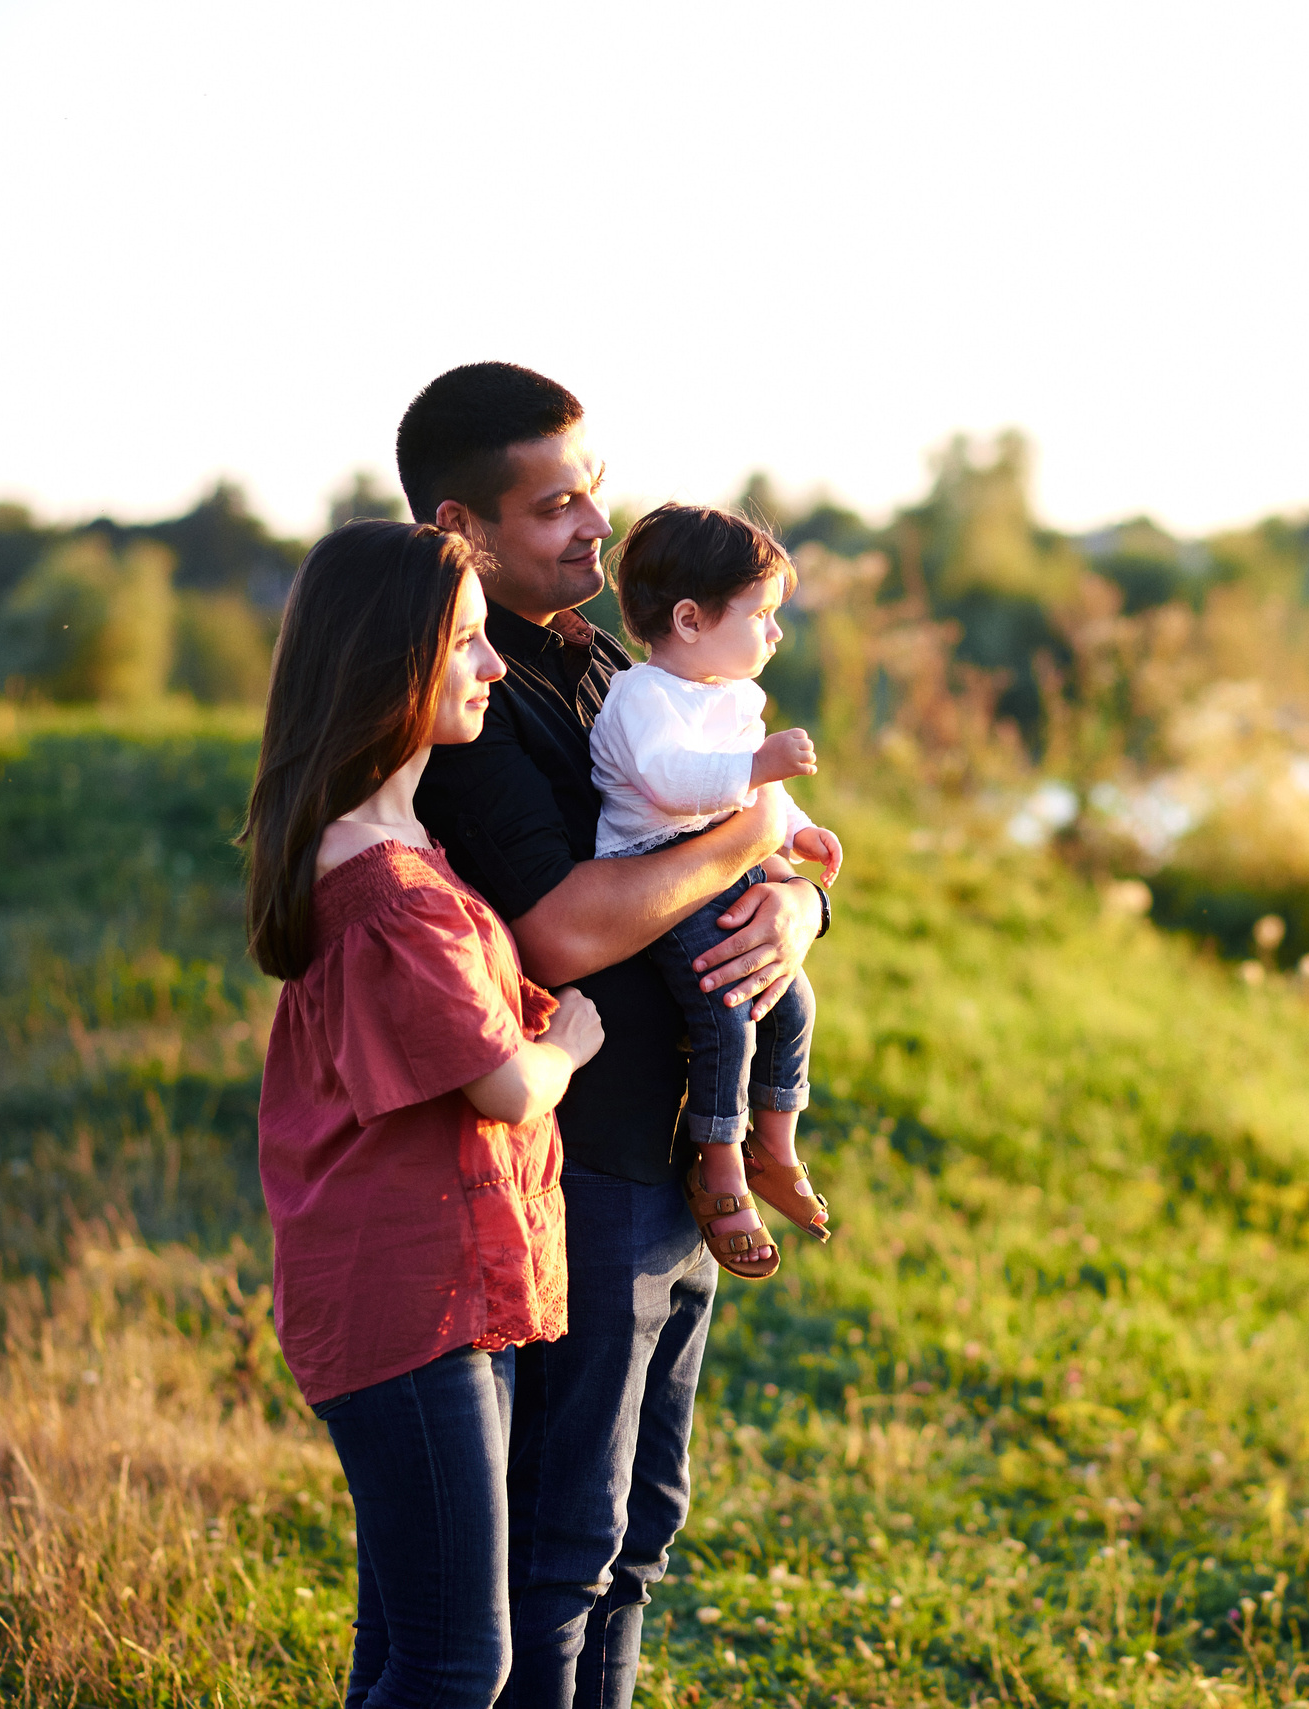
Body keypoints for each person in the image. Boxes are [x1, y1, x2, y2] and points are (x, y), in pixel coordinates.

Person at [397, 362, 831, 1706]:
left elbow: (712, 832)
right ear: (460, 529)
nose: (596, 524)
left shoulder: (605, 660)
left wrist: (802, 903)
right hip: (577, 1159)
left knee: (642, 1526)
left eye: (592, 491)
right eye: (554, 507)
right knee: (565, 1536)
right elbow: (568, 930)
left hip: (670, 1134)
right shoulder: (464, 701)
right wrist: (757, 833)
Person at [244, 519, 607, 1707]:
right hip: (409, 1303)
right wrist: (567, 1041)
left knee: (402, 1644)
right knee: (457, 1664)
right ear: (388, 663)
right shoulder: (386, 885)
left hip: (440, 1289)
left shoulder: (401, 843)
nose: (495, 664)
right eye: (465, 643)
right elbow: (503, 1083)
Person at [591, 503, 844, 1281]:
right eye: (761, 614)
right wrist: (761, 768)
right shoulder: (643, 696)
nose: (776, 633)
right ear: (691, 620)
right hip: (658, 868)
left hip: (723, 863)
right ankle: (721, 1162)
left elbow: (754, 796)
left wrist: (798, 832)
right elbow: (674, 782)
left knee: (790, 998)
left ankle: (776, 1144)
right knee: (725, 1010)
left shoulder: (731, 696)